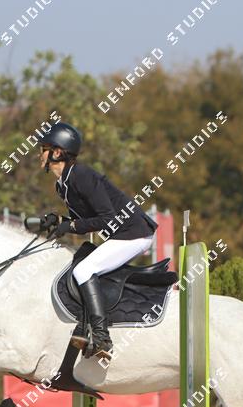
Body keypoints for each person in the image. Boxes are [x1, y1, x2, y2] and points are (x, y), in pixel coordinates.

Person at [37, 122, 158, 361]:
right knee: (80, 261)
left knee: (84, 270)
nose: (40, 154)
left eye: (44, 149)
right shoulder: (63, 184)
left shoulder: (80, 175)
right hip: (122, 233)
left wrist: (71, 226)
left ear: (57, 152)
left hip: (134, 233)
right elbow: (86, 219)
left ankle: (102, 337)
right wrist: (61, 220)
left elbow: (107, 218)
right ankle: (84, 325)